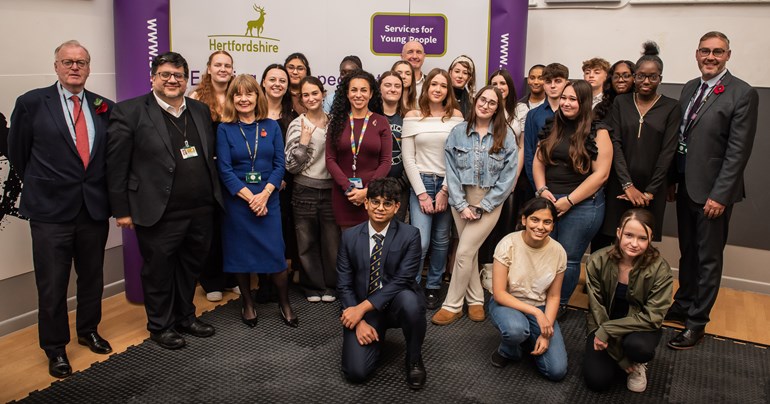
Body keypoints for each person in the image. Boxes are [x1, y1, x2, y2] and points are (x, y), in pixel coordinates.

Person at [8, 40, 114, 378]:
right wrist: (49, 185)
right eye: (67, 61)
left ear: (88, 67)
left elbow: (106, 158)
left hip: (92, 210)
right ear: (56, 66)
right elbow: (19, 154)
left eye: (81, 62)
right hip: (50, 213)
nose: (74, 67)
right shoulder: (31, 104)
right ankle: (55, 349)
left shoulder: (103, 106)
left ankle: (88, 330)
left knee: (92, 278)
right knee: (52, 285)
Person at [107, 52, 223, 349]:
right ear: (153, 78)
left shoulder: (198, 109)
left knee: (189, 268)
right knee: (158, 271)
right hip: (158, 210)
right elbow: (116, 165)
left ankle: (185, 316)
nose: (172, 80)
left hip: (200, 208)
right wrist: (121, 210)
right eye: (166, 75)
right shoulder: (130, 111)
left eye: (179, 76)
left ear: (187, 80)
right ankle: (160, 325)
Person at [666, 31, 758, 350]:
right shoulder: (691, 87)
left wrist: (720, 194)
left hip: (713, 193)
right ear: (696, 53)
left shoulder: (742, 93)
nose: (710, 57)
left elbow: (737, 152)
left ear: (728, 56)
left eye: (717, 52)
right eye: (705, 51)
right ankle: (683, 304)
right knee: (688, 251)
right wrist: (672, 180)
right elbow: (682, 139)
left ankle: (697, 323)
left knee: (708, 257)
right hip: (686, 186)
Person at [432, 86, 517, 326]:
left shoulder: (506, 135)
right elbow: (451, 171)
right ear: (475, 101)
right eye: (483, 100)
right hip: (460, 197)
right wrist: (460, 204)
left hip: (490, 200)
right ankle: (477, 299)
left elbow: (508, 177)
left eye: (492, 103)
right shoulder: (458, 132)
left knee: (464, 251)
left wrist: (483, 206)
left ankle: (452, 305)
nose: (486, 105)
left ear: (497, 108)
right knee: (471, 252)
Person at [217, 74, 296, 328]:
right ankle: (248, 304)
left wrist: (264, 195)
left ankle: (284, 303)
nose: (243, 99)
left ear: (256, 97)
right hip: (239, 202)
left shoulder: (271, 126)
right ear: (232, 99)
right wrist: (250, 197)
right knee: (241, 254)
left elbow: (279, 164)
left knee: (276, 254)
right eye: (238, 94)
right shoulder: (224, 128)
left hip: (268, 200)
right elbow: (225, 170)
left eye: (249, 93)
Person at [336, 177, 426, 389]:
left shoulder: (411, 235)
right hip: (364, 309)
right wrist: (358, 321)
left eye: (387, 203)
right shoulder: (349, 237)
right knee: (356, 372)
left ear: (396, 207)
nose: (380, 208)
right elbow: (343, 285)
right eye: (375, 202)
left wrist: (360, 309)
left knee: (411, 302)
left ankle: (413, 357)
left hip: (396, 303)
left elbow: (403, 280)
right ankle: (375, 337)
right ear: (366, 203)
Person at [533, 79, 612, 313]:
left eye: (572, 99)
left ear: (584, 102)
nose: (566, 103)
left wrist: (569, 201)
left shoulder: (599, 131)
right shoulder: (552, 124)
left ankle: (560, 305)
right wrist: (541, 190)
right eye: (564, 98)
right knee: (544, 253)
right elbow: (538, 161)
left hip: (582, 205)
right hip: (549, 200)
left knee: (567, 259)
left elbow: (601, 175)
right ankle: (541, 300)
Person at [596, 42, 681, 251]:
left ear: (660, 78)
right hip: (620, 183)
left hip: (653, 187)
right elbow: (615, 143)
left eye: (653, 77)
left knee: (640, 243)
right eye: (641, 75)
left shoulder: (672, 107)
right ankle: (604, 283)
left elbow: (668, 151)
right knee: (612, 241)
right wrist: (627, 185)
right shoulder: (622, 102)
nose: (646, 81)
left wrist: (650, 192)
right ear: (635, 76)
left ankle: (633, 284)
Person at [583, 209, 673, 393]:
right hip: (603, 321)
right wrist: (619, 358)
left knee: (639, 348)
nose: (634, 243)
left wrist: (607, 330)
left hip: (639, 327)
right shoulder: (597, 260)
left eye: (642, 238)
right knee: (597, 382)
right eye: (629, 235)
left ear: (650, 239)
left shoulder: (660, 269)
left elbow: (653, 317)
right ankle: (621, 357)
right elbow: (596, 308)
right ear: (618, 233)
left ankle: (638, 364)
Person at [486, 198, 568, 381]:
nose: (540, 226)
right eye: (535, 220)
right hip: (508, 303)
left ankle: (527, 337)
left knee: (556, 371)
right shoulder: (508, 244)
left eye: (547, 222)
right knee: (515, 330)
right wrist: (537, 315)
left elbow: (554, 296)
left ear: (553, 225)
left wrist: (546, 334)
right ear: (524, 220)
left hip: (539, 306)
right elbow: (499, 293)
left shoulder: (559, 252)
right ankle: (509, 349)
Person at [402, 68, 463, 309]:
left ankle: (434, 286)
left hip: (448, 184)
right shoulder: (412, 116)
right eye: (433, 84)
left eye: (443, 85)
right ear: (425, 87)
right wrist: (422, 193)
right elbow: (409, 158)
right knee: (421, 241)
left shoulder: (457, 117)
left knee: (441, 241)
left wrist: (445, 190)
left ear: (449, 90)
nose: (438, 89)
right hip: (422, 183)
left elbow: (459, 157)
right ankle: (413, 285)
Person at [189, 50, 238, 302]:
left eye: (227, 65)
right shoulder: (197, 97)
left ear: (232, 69)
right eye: (217, 64)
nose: (222, 69)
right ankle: (211, 281)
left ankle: (231, 278)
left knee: (232, 225)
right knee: (210, 227)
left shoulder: (238, 95)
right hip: (208, 172)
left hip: (234, 170)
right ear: (208, 68)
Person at [285, 76, 340, 303]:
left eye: (314, 93)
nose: (310, 98)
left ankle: (330, 286)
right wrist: (304, 142)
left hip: (330, 191)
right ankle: (311, 286)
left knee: (332, 243)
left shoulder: (335, 122)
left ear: (323, 94)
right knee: (306, 242)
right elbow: (291, 165)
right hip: (304, 191)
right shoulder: (298, 124)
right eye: (305, 95)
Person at [325, 69, 392, 229]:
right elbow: (330, 160)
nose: (358, 95)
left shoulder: (381, 122)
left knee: (372, 247)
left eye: (364, 90)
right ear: (347, 94)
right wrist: (348, 187)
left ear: (371, 94)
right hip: (344, 195)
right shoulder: (337, 122)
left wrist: (368, 191)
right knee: (347, 245)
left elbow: (386, 161)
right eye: (353, 90)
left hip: (374, 197)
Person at [481, 69, 530, 266]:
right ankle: (482, 267)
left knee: (505, 225)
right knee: (483, 226)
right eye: (495, 83)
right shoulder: (484, 108)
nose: (499, 87)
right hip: (485, 177)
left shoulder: (521, 110)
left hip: (510, 176)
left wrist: (514, 177)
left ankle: (499, 268)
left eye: (503, 83)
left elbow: (522, 146)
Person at [261, 63, 299, 300]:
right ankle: (264, 282)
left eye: (282, 81)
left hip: (286, 184)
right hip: (257, 186)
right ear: (263, 82)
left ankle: (281, 282)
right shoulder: (251, 112)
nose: (277, 84)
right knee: (262, 232)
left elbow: (294, 152)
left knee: (284, 232)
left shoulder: (293, 116)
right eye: (272, 79)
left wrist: (282, 178)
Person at [523, 63, 569, 190]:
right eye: (548, 81)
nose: (553, 86)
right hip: (541, 183)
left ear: (567, 83)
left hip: (568, 183)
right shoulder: (533, 115)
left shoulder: (572, 111)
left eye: (558, 81)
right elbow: (529, 153)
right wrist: (538, 187)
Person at [378, 71, 409, 221]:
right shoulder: (372, 116)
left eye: (397, 86)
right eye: (388, 85)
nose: (393, 89)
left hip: (400, 187)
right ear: (379, 89)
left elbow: (414, 155)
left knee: (396, 233)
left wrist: (401, 182)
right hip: (375, 185)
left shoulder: (409, 117)